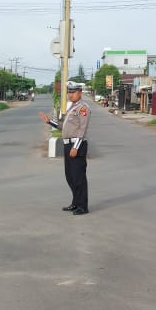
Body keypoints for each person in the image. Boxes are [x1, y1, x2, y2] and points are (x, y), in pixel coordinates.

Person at [38, 81, 91, 215]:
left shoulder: (83, 108)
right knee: (70, 176)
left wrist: (76, 147)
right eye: (69, 92)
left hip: (76, 146)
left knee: (78, 177)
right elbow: (63, 127)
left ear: (80, 92)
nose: (70, 95)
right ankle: (75, 203)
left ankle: (83, 206)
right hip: (68, 145)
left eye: (73, 92)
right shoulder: (71, 108)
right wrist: (49, 121)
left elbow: (82, 130)